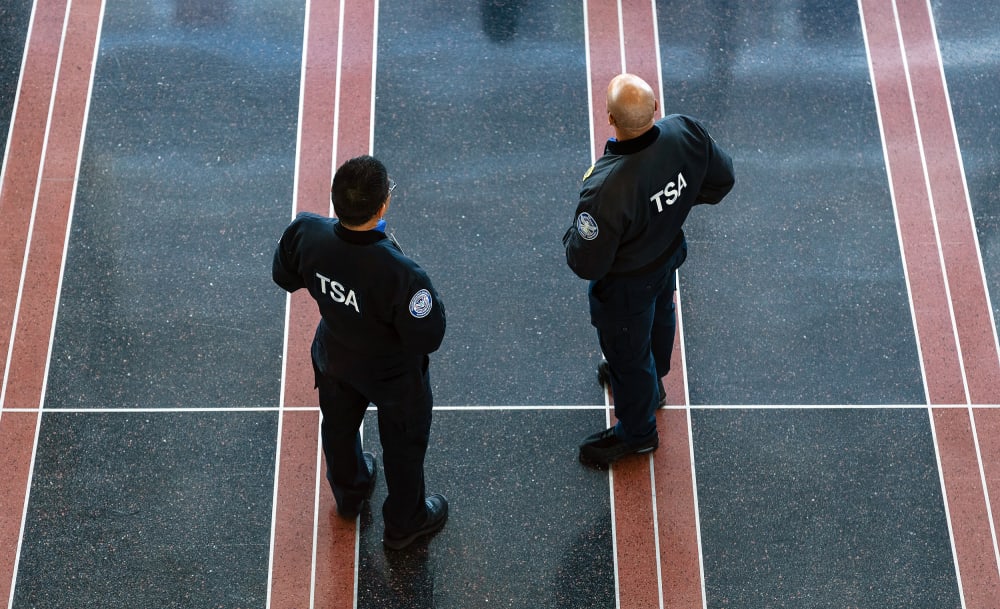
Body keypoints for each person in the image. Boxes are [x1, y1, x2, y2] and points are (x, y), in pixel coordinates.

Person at [272, 155, 448, 550]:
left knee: (337, 426)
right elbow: (428, 337)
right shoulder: (402, 274)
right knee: (403, 445)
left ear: (335, 200)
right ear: (383, 204)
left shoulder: (306, 231)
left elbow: (283, 276)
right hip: (393, 376)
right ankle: (406, 523)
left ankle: (350, 493)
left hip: (335, 356)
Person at [563, 74, 735, 466]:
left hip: (627, 284)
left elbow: (586, 260)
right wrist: (674, 209)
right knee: (661, 316)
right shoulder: (685, 131)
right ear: (656, 108)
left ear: (610, 118)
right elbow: (722, 179)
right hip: (667, 256)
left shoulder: (606, 187)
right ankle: (653, 382)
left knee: (626, 351)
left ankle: (638, 432)